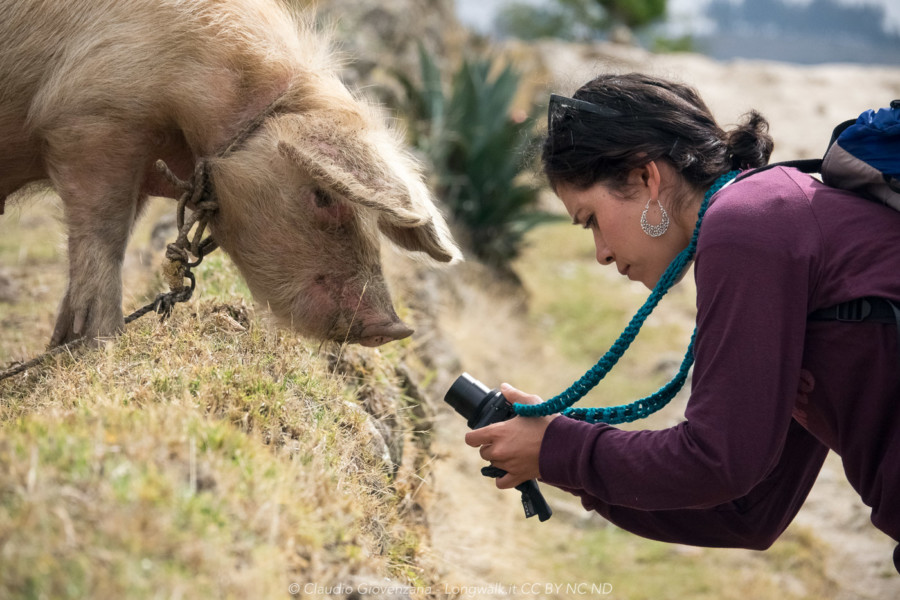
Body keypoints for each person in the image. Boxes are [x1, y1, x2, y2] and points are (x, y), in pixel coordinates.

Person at [464, 73, 900, 575]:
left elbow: (717, 461)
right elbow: (750, 513)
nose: (601, 252)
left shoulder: (749, 223)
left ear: (646, 178)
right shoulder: (770, 214)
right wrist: (552, 457)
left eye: (590, 220)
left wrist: (558, 449)